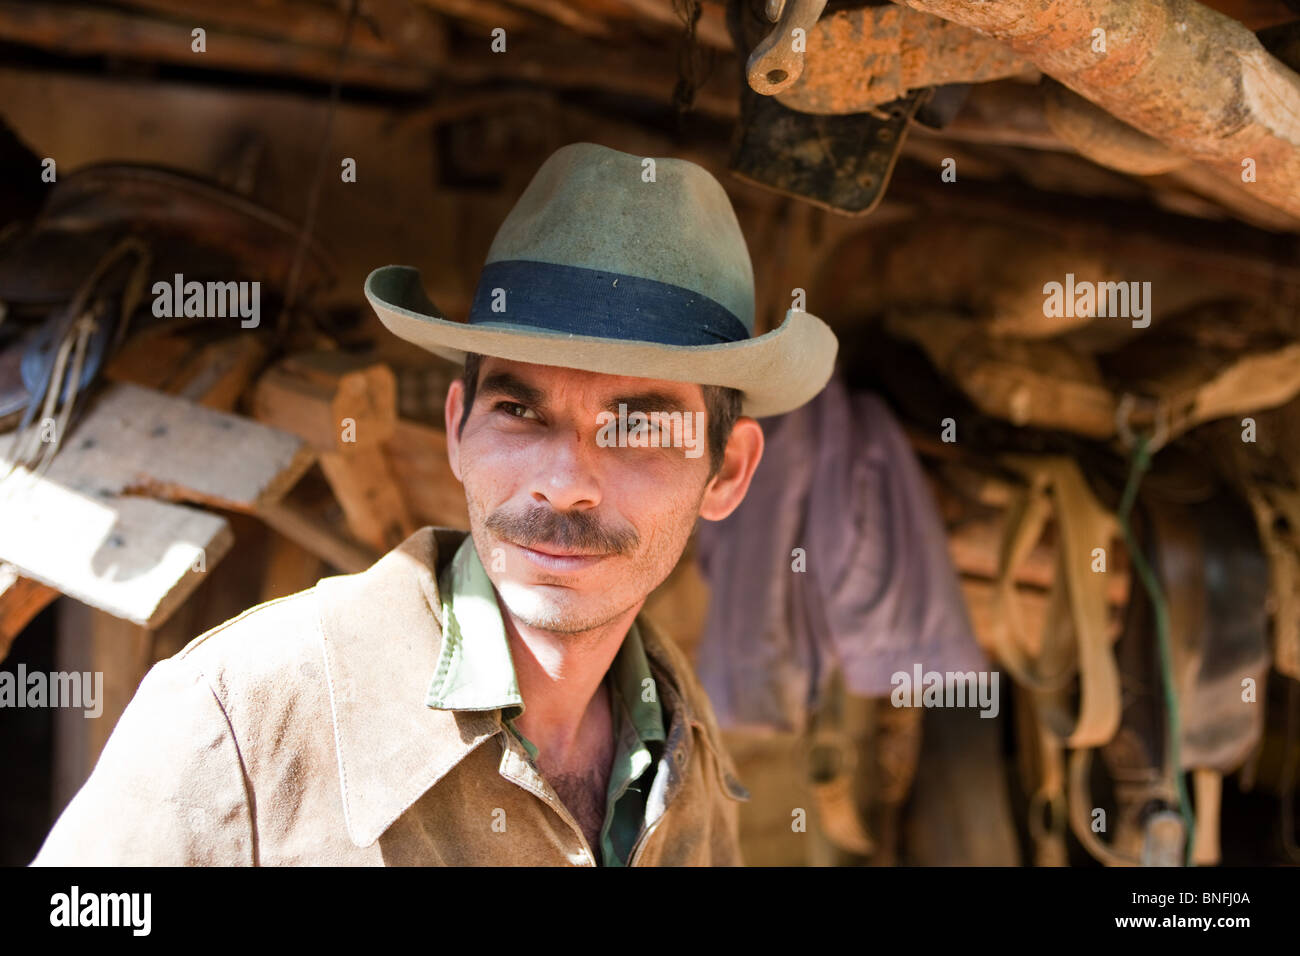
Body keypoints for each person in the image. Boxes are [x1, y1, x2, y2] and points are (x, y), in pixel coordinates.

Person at [32, 141, 837, 866]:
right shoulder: (241, 720)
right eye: (519, 412)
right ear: (457, 427)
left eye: (638, 427)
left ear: (727, 470)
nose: (564, 480)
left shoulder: (679, 743)